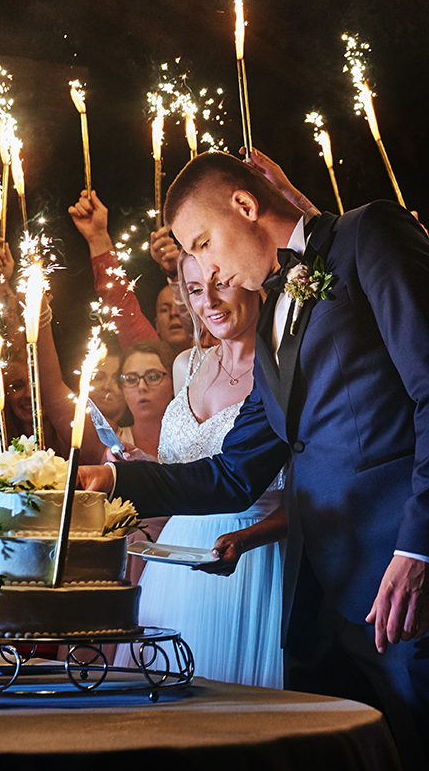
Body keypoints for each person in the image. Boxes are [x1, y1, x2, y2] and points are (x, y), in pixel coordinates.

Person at [78, 151, 429, 771]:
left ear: (245, 205)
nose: (204, 268)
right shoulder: (272, 312)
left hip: (408, 581)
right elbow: (233, 473)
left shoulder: (369, 234)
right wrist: (114, 478)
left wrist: (423, 550)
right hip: (320, 598)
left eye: (203, 242)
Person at [130, 252, 287, 688]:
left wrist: (249, 538)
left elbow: (314, 490)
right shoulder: (187, 365)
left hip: (252, 561)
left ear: (252, 280)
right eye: (196, 290)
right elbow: (188, 471)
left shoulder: (284, 371)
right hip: (176, 562)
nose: (209, 301)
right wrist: (144, 468)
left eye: (221, 284)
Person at [69, 188, 191, 353]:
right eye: (164, 309)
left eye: (181, 305)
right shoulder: (149, 357)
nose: (174, 313)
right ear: (156, 324)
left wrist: (178, 272)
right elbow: (123, 309)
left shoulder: (220, 351)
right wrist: (97, 238)